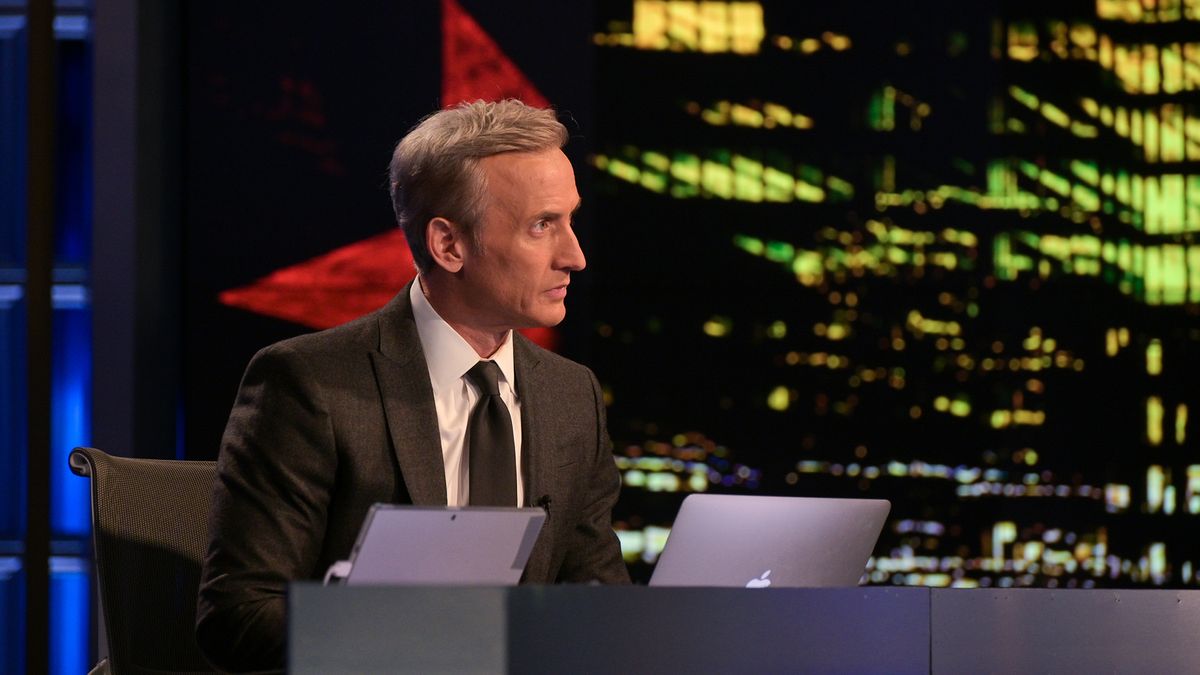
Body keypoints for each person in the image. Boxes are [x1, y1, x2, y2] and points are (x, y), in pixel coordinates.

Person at [196, 99, 630, 672]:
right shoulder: (311, 385)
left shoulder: (570, 395)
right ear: (449, 245)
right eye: (541, 226)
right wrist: (416, 631)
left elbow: (596, 597)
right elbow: (238, 617)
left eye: (570, 219)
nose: (574, 256)